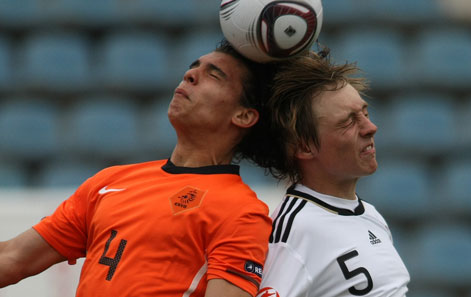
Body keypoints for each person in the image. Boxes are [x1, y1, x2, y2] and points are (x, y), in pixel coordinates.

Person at [0, 39, 276, 297]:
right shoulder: (110, 181)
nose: (190, 75)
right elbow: (13, 258)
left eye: (214, 75)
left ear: (243, 115)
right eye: (193, 67)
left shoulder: (241, 212)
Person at [256, 50, 410, 297]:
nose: (371, 128)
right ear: (305, 146)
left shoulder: (371, 215)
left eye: (365, 113)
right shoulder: (295, 231)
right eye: (349, 122)